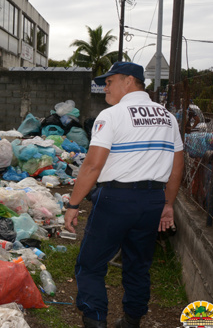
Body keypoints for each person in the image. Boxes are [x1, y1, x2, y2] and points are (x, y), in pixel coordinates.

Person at [64, 62, 184, 328]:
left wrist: (73, 204)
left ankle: (95, 320)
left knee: (91, 264)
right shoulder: (167, 118)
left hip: (116, 199)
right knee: (138, 264)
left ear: (129, 81)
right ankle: (131, 321)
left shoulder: (112, 115)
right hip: (152, 201)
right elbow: (177, 167)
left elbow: (93, 165)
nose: (104, 87)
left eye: (109, 81)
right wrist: (168, 204)